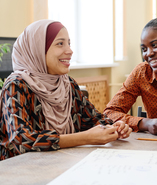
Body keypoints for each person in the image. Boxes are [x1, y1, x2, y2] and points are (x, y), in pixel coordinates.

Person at [0, 19, 132, 160]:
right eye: (60, 43)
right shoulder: (16, 85)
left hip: (63, 164)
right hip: (20, 172)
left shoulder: (67, 84)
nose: (69, 50)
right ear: (38, 49)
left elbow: (94, 119)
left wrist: (115, 127)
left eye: (69, 43)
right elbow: (21, 141)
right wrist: (84, 138)